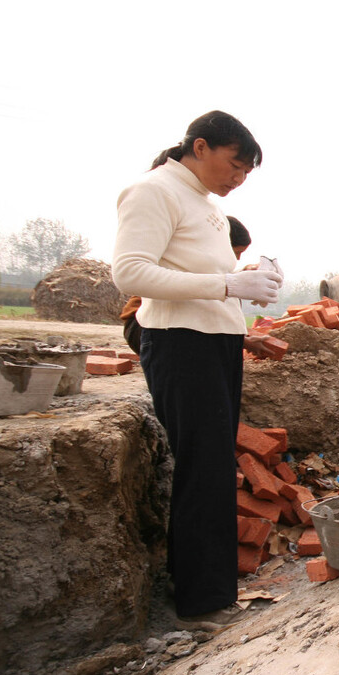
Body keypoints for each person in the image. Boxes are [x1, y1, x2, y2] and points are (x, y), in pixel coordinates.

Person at [112, 111, 282, 625]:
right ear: (200, 147)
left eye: (247, 172)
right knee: (202, 467)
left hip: (215, 344)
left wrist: (247, 282)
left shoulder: (205, 206)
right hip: (181, 344)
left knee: (214, 465)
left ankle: (210, 585)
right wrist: (227, 285)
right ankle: (200, 600)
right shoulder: (154, 191)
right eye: (235, 165)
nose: (238, 178)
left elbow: (203, 278)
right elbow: (130, 272)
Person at [120, 216, 252, 355]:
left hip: (171, 329)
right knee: (224, 292)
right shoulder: (186, 257)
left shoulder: (205, 262)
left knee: (228, 293)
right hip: (145, 327)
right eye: (236, 252)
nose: (238, 259)